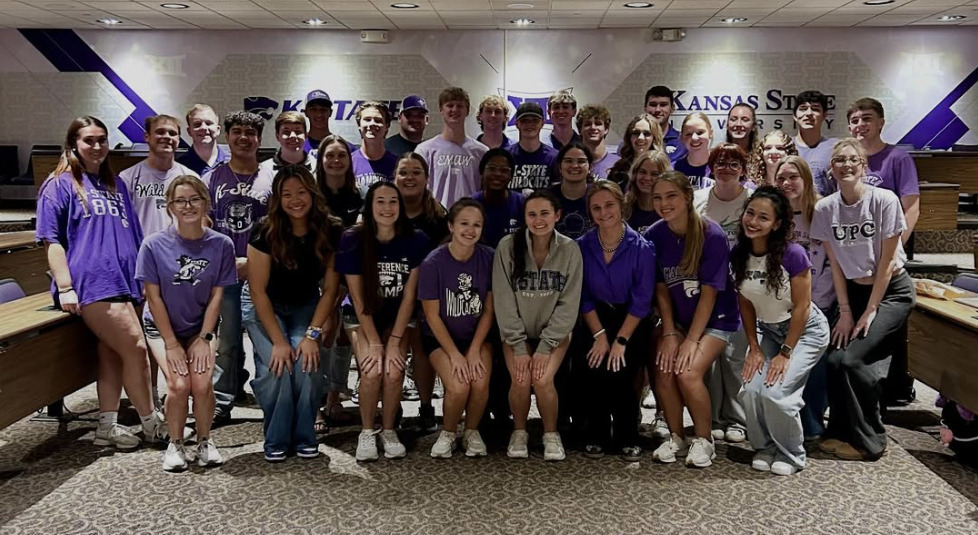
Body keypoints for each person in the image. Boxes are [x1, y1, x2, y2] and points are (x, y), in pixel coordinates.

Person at [36, 116, 166, 449]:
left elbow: (134, 237)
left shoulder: (115, 184)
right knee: (137, 349)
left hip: (124, 281)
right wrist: (65, 286)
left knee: (112, 352)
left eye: (102, 140)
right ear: (73, 145)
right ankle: (152, 424)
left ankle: (106, 426)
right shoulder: (59, 184)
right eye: (89, 140)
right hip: (91, 283)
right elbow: (51, 240)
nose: (97, 147)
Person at [811, 138, 915, 461]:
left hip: (891, 291)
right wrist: (844, 311)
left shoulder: (884, 200)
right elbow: (837, 265)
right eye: (839, 160)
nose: (846, 164)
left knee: (855, 361)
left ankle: (870, 441)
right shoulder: (825, 208)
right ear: (832, 169)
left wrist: (871, 309)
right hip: (854, 293)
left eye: (853, 159)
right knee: (834, 360)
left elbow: (886, 262)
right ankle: (841, 432)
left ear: (863, 165)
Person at [136, 175, 236, 471]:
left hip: (200, 326)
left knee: (203, 383)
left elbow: (218, 296)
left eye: (194, 199)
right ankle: (175, 443)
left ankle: (205, 441)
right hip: (162, 326)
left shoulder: (222, 245)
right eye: (180, 200)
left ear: (206, 203)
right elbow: (153, 298)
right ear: (170, 207)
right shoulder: (153, 245)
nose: (188, 206)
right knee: (179, 385)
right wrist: (171, 345)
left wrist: (204, 338)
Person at [242, 167, 341, 462]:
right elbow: (258, 291)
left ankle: (304, 436)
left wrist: (312, 334)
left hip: (306, 306)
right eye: (286, 194)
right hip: (264, 306)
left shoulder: (331, 228)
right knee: (279, 365)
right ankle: (277, 438)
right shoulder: (265, 228)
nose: (295, 200)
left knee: (307, 364)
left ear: (312, 193)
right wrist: (279, 341)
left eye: (301, 192)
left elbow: (332, 289)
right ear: (278, 199)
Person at [645, 171, 740, 468]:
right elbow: (661, 289)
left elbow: (710, 294)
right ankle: (676, 436)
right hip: (678, 320)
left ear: (687, 197)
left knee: (687, 372)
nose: (664, 203)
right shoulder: (655, 234)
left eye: (671, 196)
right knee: (663, 367)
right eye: (658, 197)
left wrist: (690, 341)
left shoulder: (712, 235)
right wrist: (671, 333)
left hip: (716, 320)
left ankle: (704, 439)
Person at [733, 186, 830, 476]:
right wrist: (754, 346)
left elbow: (802, 307)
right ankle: (765, 447)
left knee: (776, 394)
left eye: (763, 217)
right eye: (750, 213)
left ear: (776, 224)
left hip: (804, 332)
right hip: (769, 331)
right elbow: (745, 302)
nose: (753, 221)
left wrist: (786, 353)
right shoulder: (738, 253)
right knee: (750, 390)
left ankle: (792, 453)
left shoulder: (794, 254)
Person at [336, 182, 429, 461]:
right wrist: (375, 342)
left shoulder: (417, 239)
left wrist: (396, 340)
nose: (387, 208)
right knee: (373, 368)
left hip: (399, 314)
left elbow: (410, 296)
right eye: (380, 202)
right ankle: (367, 430)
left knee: (393, 369)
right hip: (362, 315)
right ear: (370, 206)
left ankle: (389, 429)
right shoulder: (352, 238)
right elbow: (357, 295)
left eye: (393, 202)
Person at [493, 189, 582, 461]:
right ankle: (519, 431)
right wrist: (519, 347)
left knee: (542, 380)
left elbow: (569, 304)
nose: (538, 220)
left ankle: (550, 433)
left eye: (545, 213)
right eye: (532, 214)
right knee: (520, 378)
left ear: (557, 215)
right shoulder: (507, 246)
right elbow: (503, 300)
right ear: (525, 217)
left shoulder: (570, 249)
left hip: (553, 335)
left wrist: (545, 347)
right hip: (516, 333)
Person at [847, 97, 920, 406]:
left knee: (888, 325)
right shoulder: (848, 161)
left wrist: (891, 254)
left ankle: (897, 388)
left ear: (880, 122)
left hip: (889, 258)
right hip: (858, 260)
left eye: (867, 118)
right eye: (855, 120)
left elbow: (912, 207)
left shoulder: (897, 158)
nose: (860, 125)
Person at [203, 110, 275, 425]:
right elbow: (202, 224)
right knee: (228, 342)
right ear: (227, 136)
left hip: (262, 273)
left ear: (259, 139)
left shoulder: (270, 177)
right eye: (237, 132)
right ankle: (222, 401)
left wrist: (256, 260)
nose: (244, 138)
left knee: (263, 339)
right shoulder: (211, 178)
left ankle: (269, 400)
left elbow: (278, 227)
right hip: (224, 272)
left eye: (251, 133)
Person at [577, 182, 655, 460]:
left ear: (621, 206)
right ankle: (596, 434)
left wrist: (620, 340)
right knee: (595, 372)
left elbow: (643, 299)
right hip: (595, 316)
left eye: (609, 205)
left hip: (631, 319)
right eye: (596, 207)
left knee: (623, 373)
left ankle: (627, 436)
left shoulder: (642, 247)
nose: (603, 212)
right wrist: (600, 336)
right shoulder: (582, 246)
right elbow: (583, 295)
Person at [420, 199, 496, 458]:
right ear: (451, 226)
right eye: (464, 223)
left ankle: (472, 431)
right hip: (441, 340)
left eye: (477, 225)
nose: (470, 230)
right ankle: (449, 432)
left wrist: (474, 349)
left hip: (477, 337)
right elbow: (432, 316)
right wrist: (454, 354)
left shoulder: (489, 257)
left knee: (480, 380)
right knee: (459, 385)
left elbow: (488, 310)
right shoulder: (434, 262)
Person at [693, 143, 751, 444]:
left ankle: (737, 420)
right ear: (711, 167)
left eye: (733, 164)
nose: (726, 168)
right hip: (709, 288)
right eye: (721, 163)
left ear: (743, 169)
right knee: (710, 359)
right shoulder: (698, 200)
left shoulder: (753, 200)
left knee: (735, 357)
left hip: (744, 288)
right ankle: (713, 417)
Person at [774, 156, 836, 440]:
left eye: (793, 177)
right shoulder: (775, 216)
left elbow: (832, 263)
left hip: (819, 303)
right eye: (781, 178)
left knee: (816, 366)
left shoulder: (822, 211)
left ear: (806, 179)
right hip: (781, 306)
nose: (787, 184)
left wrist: (813, 302)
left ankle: (812, 425)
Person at [394, 152, 448, 431]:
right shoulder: (385, 210)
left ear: (427, 178)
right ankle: (393, 406)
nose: (410, 178)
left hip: (427, 297)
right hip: (390, 295)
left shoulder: (439, 216)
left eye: (416, 172)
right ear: (394, 178)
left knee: (422, 351)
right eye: (404, 172)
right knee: (394, 351)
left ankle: (426, 407)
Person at [314, 134, 364, 430]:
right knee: (323, 334)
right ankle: (317, 403)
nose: (335, 161)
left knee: (345, 335)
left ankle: (335, 398)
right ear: (321, 161)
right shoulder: (312, 195)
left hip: (350, 275)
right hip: (317, 274)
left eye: (341, 156)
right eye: (329, 155)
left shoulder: (358, 197)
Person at [120, 115, 199, 239]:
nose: (167, 137)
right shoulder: (127, 177)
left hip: (181, 253)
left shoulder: (191, 178)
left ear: (178, 140)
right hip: (142, 253)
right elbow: (122, 222)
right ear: (147, 137)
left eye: (172, 133)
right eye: (160, 132)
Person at [415, 87, 488, 207]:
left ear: (467, 111)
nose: (455, 109)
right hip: (436, 221)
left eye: (460, 106)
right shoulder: (424, 150)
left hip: (470, 219)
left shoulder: (481, 152)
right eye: (450, 105)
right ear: (441, 110)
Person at [472, 148, 524, 248]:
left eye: (504, 170)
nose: (497, 174)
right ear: (482, 172)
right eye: (491, 168)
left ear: (511, 176)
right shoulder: (470, 204)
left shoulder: (522, 204)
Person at [793, 90, 838, 197]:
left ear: (824, 115)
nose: (808, 113)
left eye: (815, 109)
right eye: (803, 109)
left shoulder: (835, 147)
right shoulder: (784, 146)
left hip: (825, 211)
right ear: (795, 116)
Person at [508, 102, 558, 193]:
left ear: (542, 123)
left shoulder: (554, 157)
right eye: (524, 120)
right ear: (517, 124)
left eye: (535, 120)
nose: (529, 124)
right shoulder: (506, 156)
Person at [549, 142, 593, 240]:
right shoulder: (547, 198)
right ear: (560, 167)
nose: (575, 166)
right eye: (569, 161)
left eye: (581, 161)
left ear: (590, 167)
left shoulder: (599, 196)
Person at [608, 113, 662, 190]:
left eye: (646, 134)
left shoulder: (663, 169)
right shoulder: (617, 170)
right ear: (629, 137)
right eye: (636, 133)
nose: (640, 137)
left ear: (654, 138)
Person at [352, 101, 398, 189]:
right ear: (359, 125)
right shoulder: (349, 163)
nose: (372, 124)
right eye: (367, 119)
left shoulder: (397, 164)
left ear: (386, 126)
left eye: (378, 120)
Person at [177, 104, 230, 176]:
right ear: (189, 132)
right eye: (197, 124)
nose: (204, 128)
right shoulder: (180, 166)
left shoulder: (236, 157)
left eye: (208, 123)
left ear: (218, 130)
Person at [624, 150, 669, 235]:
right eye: (643, 172)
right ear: (635, 174)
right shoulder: (623, 209)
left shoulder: (670, 211)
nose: (647, 178)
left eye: (655, 174)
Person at [259, 111, 317, 175]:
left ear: (306, 135)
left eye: (298, 131)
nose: (293, 136)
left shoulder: (318, 167)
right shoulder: (264, 170)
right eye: (286, 132)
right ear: (277, 136)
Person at [644, 85, 686, 162]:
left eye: (663, 105)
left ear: (672, 108)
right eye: (653, 105)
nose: (657, 109)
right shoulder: (635, 141)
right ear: (645, 108)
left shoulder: (683, 141)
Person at [578, 104, 620, 180]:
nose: (593, 127)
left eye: (598, 124)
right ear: (580, 130)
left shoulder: (618, 164)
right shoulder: (572, 163)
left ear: (606, 129)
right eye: (587, 124)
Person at [674, 112, 715, 190]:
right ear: (682, 137)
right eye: (688, 134)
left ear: (710, 133)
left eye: (700, 133)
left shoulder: (722, 167)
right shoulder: (673, 169)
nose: (694, 138)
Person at [724, 103, 761, 184]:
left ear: (753, 126)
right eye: (733, 119)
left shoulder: (761, 158)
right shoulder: (719, 156)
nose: (738, 124)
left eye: (745, 120)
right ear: (727, 125)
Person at [303, 89, 334, 154]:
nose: (319, 114)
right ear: (306, 113)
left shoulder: (345, 148)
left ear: (330, 112)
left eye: (323, 109)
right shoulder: (297, 146)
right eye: (313, 109)